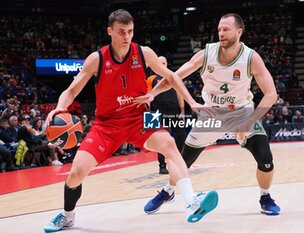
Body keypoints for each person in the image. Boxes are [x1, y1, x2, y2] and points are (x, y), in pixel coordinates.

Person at [43, 9, 218, 233]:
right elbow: (72, 89)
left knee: (170, 145)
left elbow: (172, 77)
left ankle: (191, 201)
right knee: (76, 173)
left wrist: (191, 101)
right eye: (121, 32)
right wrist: (60, 107)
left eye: (130, 31)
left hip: (140, 115)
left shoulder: (144, 53)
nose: (126, 36)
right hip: (106, 124)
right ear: (110, 32)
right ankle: (67, 217)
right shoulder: (97, 58)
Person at [137, 13, 281, 216]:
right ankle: (168, 191)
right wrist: (152, 93)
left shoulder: (251, 58)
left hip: (241, 112)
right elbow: (173, 78)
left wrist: (249, 121)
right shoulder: (206, 54)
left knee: (265, 158)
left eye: (226, 29)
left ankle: (265, 197)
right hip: (211, 114)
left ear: (239, 32)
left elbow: (271, 94)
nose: (221, 33)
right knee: (183, 160)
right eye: (219, 29)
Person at [147, 56, 186, 174]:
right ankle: (162, 165)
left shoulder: (173, 77)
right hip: (157, 113)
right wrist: (149, 114)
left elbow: (180, 94)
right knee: (162, 139)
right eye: (160, 63)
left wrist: (182, 111)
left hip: (174, 112)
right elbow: (147, 96)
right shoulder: (151, 79)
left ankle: (178, 160)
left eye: (164, 63)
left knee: (181, 135)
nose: (162, 65)